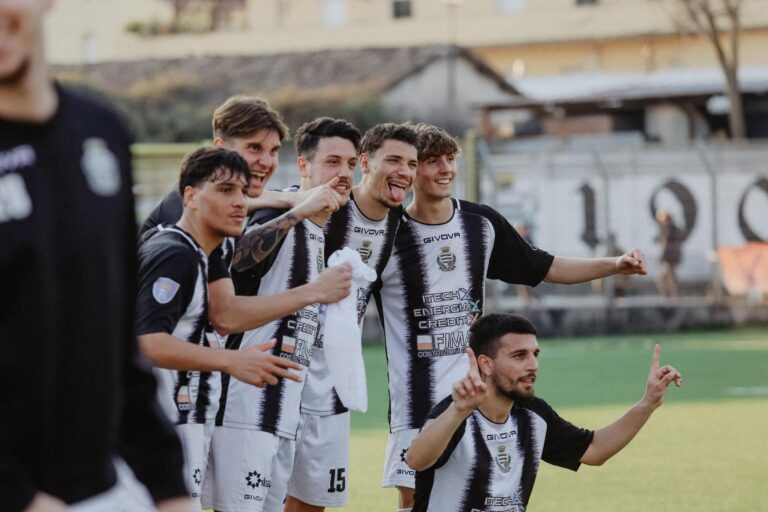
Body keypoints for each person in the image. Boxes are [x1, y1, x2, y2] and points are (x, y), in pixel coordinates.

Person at [375, 123, 648, 511]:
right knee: (415, 496)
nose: (445, 169)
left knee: (484, 491)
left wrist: (614, 265)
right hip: (416, 398)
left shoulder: (480, 224)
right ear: (411, 169)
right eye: (432, 161)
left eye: (450, 159)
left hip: (482, 391)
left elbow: (543, 267)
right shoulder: (387, 233)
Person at [0, 1, 193, 510]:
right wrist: (18, 496)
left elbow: (115, 338)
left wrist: (170, 486)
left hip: (99, 492)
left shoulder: (101, 131)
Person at [136, 147, 310, 508]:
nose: (239, 202)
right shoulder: (174, 253)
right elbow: (147, 341)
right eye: (226, 190)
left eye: (244, 192)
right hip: (164, 422)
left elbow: (223, 315)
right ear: (190, 196)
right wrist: (232, 361)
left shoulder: (203, 254)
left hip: (188, 417)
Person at [205, 117, 357, 512]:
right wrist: (296, 211)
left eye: (351, 164)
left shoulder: (328, 231)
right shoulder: (272, 214)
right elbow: (233, 259)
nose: (343, 173)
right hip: (246, 406)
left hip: (284, 411)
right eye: (333, 162)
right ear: (303, 166)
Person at [406, 313, 682, 511]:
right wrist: (458, 411)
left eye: (534, 354)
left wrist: (648, 403)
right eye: (519, 356)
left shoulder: (533, 415)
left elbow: (594, 449)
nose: (533, 365)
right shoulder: (454, 413)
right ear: (485, 364)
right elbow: (417, 460)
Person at [284, 122, 419, 512]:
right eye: (393, 160)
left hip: (333, 381)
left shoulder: (397, 224)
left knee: (313, 502)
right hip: (284, 371)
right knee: (258, 497)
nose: (403, 171)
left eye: (411, 163)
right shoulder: (315, 205)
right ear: (366, 163)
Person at [654, 210, 683, 298]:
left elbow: (669, 246)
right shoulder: (667, 230)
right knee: (668, 277)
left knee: (666, 277)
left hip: (670, 257)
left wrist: (663, 257)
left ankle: (673, 294)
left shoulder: (672, 231)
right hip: (669, 257)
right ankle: (670, 294)